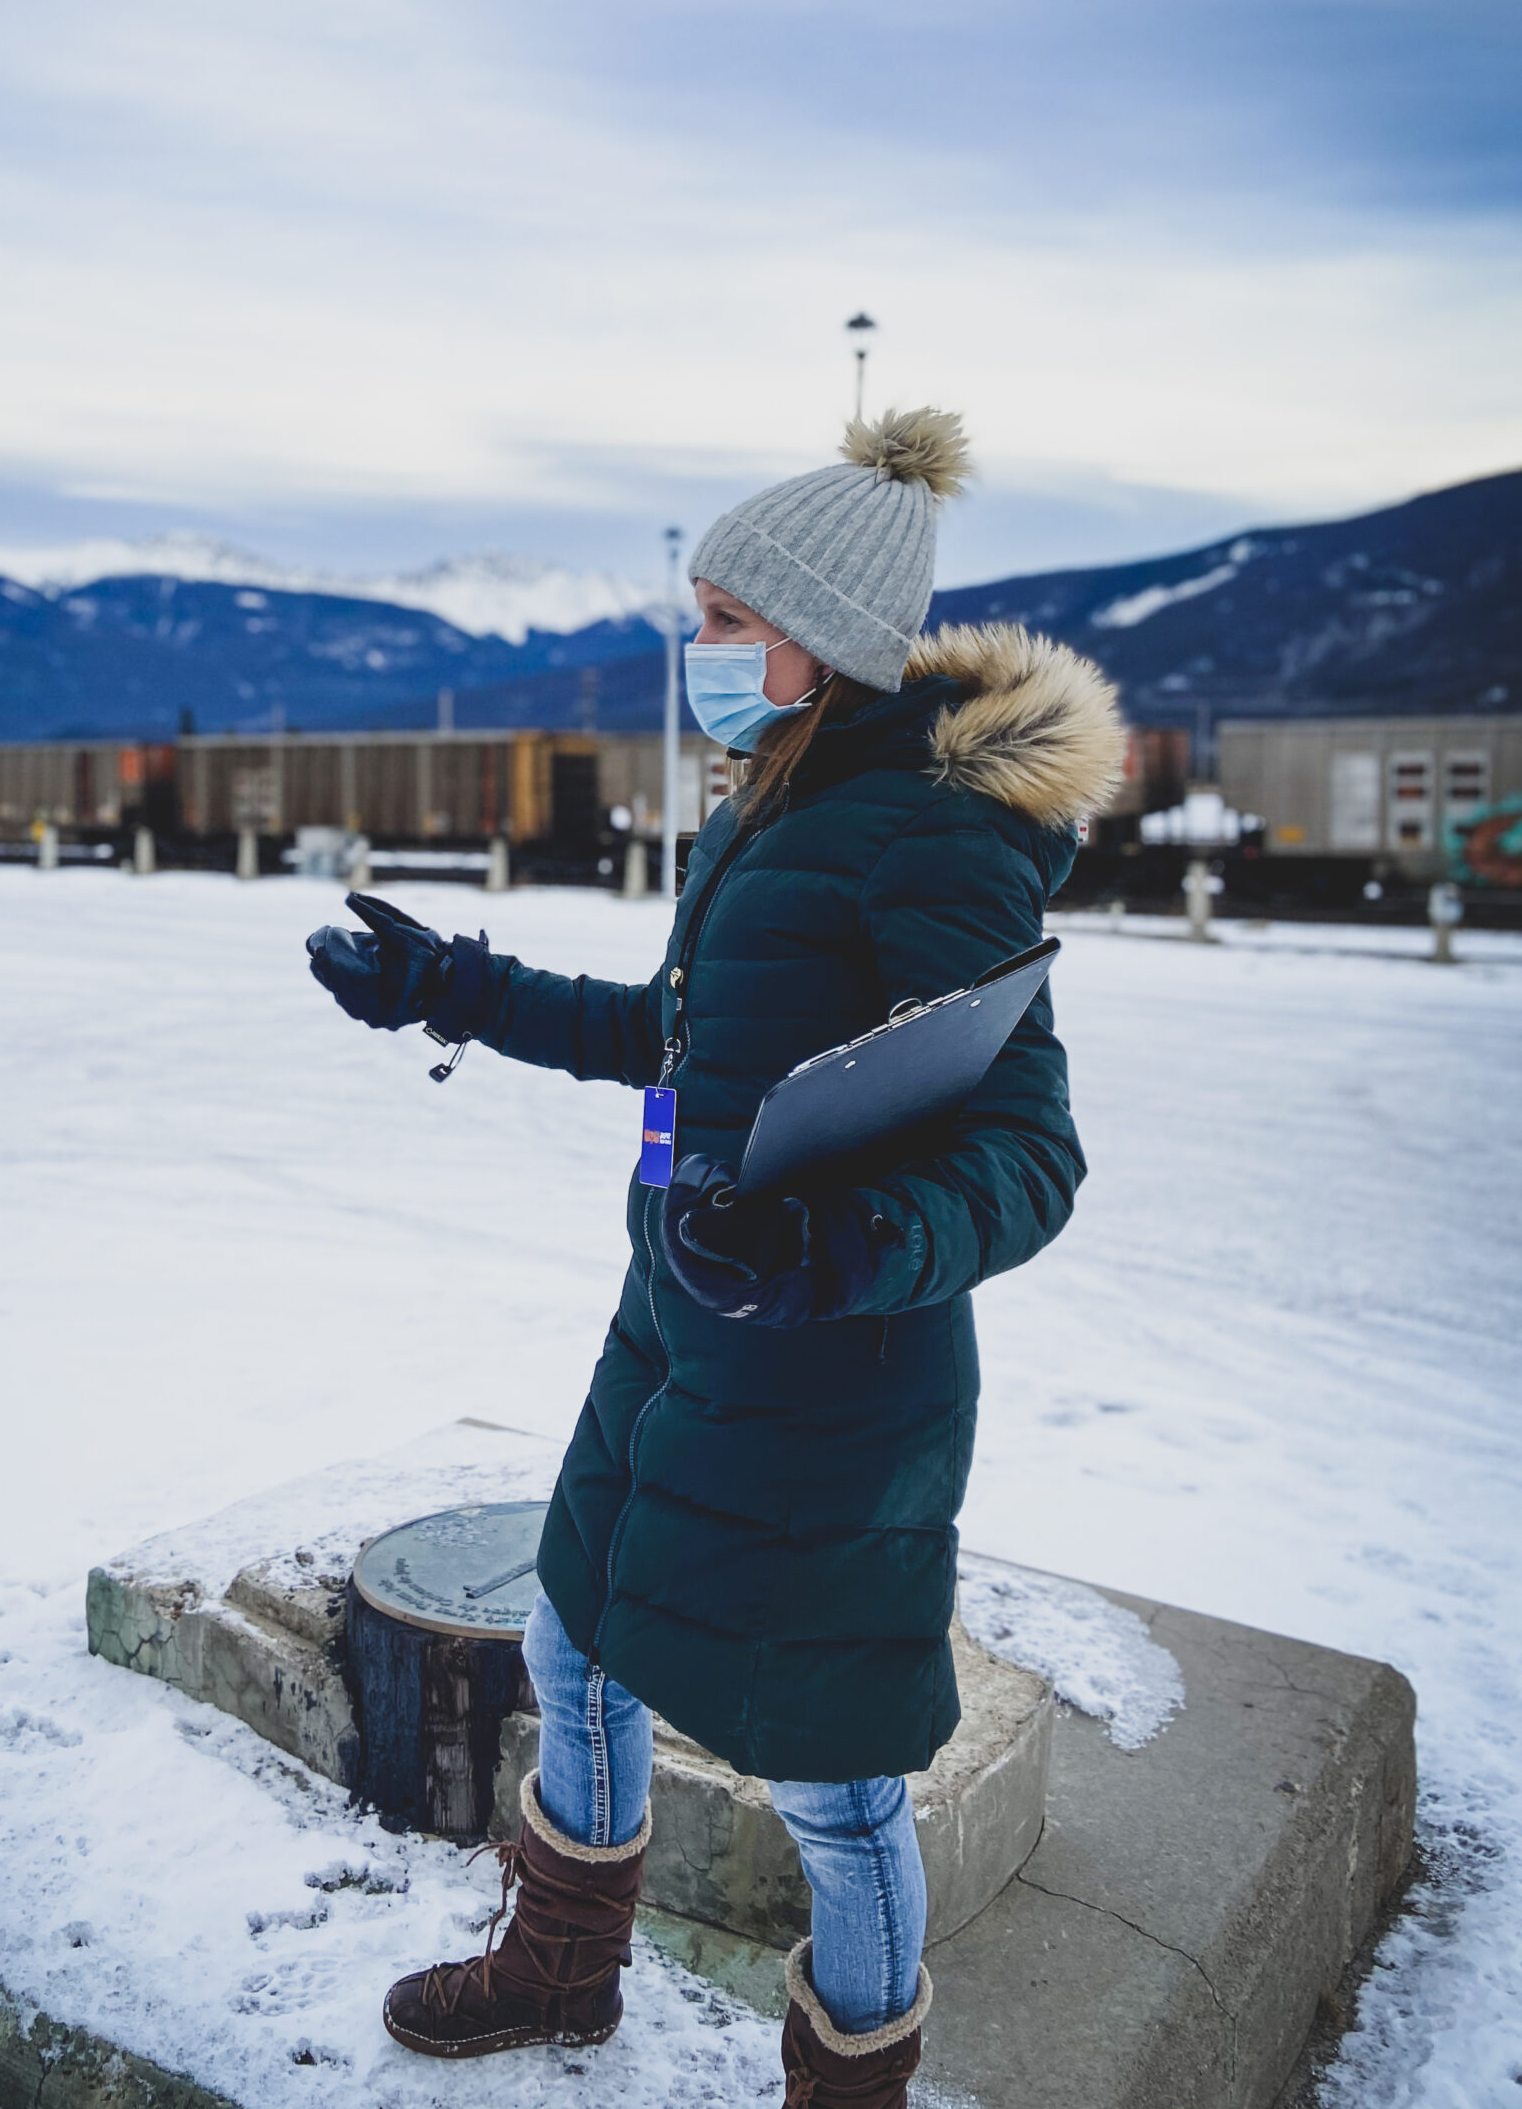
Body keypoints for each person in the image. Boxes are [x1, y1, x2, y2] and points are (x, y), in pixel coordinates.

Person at [306, 408, 1123, 2105]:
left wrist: (827, 1251)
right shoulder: (780, 801)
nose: (698, 652)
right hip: (677, 1329)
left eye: (721, 620)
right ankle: (561, 1971)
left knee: (837, 1777)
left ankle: (849, 2083)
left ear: (815, 639)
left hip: (831, 1379)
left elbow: (1030, 1155)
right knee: (573, 1642)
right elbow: (679, 1040)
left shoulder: (929, 837)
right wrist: (451, 986)